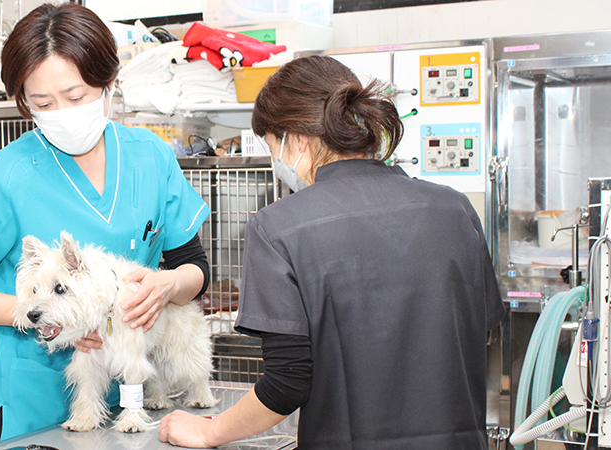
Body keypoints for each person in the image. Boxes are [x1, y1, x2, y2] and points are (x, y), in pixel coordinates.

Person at [158, 55, 505, 449]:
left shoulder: (279, 228)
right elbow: (475, 333)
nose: (277, 161)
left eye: (273, 147)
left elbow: (286, 383)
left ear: (298, 139)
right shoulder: (455, 209)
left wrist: (208, 430)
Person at [0, 3, 210, 446]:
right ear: (25, 103)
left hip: (132, 403)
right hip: (29, 409)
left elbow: (195, 267)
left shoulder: (149, 156)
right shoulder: (7, 175)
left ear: (108, 83)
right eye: (43, 103)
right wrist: (46, 317)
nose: (62, 112)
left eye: (76, 97)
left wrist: (168, 285)